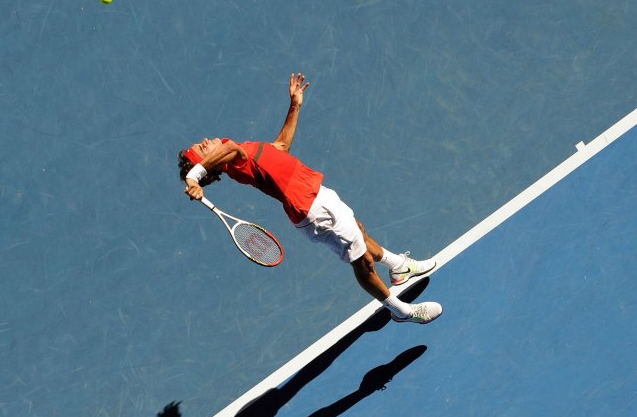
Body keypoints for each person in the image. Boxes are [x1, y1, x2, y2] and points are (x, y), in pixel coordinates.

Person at [178, 72, 442, 323]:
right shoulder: (235, 161)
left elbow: (281, 147)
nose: (205, 140)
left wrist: (294, 106)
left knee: (359, 231)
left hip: (315, 190)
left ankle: (399, 267)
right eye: (201, 148)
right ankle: (401, 311)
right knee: (362, 262)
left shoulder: (242, 151)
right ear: (209, 164)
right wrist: (194, 176)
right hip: (311, 209)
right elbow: (229, 149)